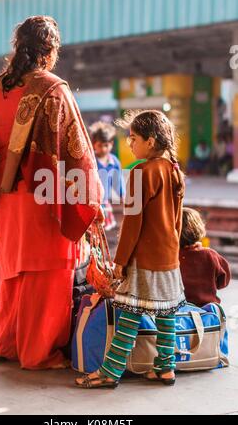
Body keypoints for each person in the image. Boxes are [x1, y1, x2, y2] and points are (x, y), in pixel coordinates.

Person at [0, 15, 102, 370]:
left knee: (13, 270)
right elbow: (76, 152)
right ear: (49, 51)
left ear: (18, 47)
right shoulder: (53, 88)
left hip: (6, 197)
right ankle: (40, 352)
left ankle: (7, 344)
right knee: (49, 272)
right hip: (43, 197)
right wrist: (89, 197)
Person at [76, 109, 186, 388]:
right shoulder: (174, 170)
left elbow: (133, 223)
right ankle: (165, 368)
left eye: (134, 138)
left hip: (144, 256)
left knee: (130, 314)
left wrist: (120, 261)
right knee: (166, 314)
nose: (130, 144)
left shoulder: (141, 172)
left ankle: (110, 372)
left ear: (150, 141)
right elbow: (178, 220)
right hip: (167, 255)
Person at [179, 207, 231, 307]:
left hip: (179, 313)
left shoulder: (171, 258)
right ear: (199, 228)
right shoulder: (211, 255)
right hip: (207, 313)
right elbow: (223, 282)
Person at [90, 121, 125, 230]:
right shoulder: (91, 161)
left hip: (106, 203)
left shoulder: (114, 162)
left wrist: (123, 197)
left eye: (106, 145)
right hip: (92, 203)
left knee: (105, 231)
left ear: (111, 144)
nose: (104, 149)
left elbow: (119, 182)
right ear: (94, 144)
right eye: (100, 145)